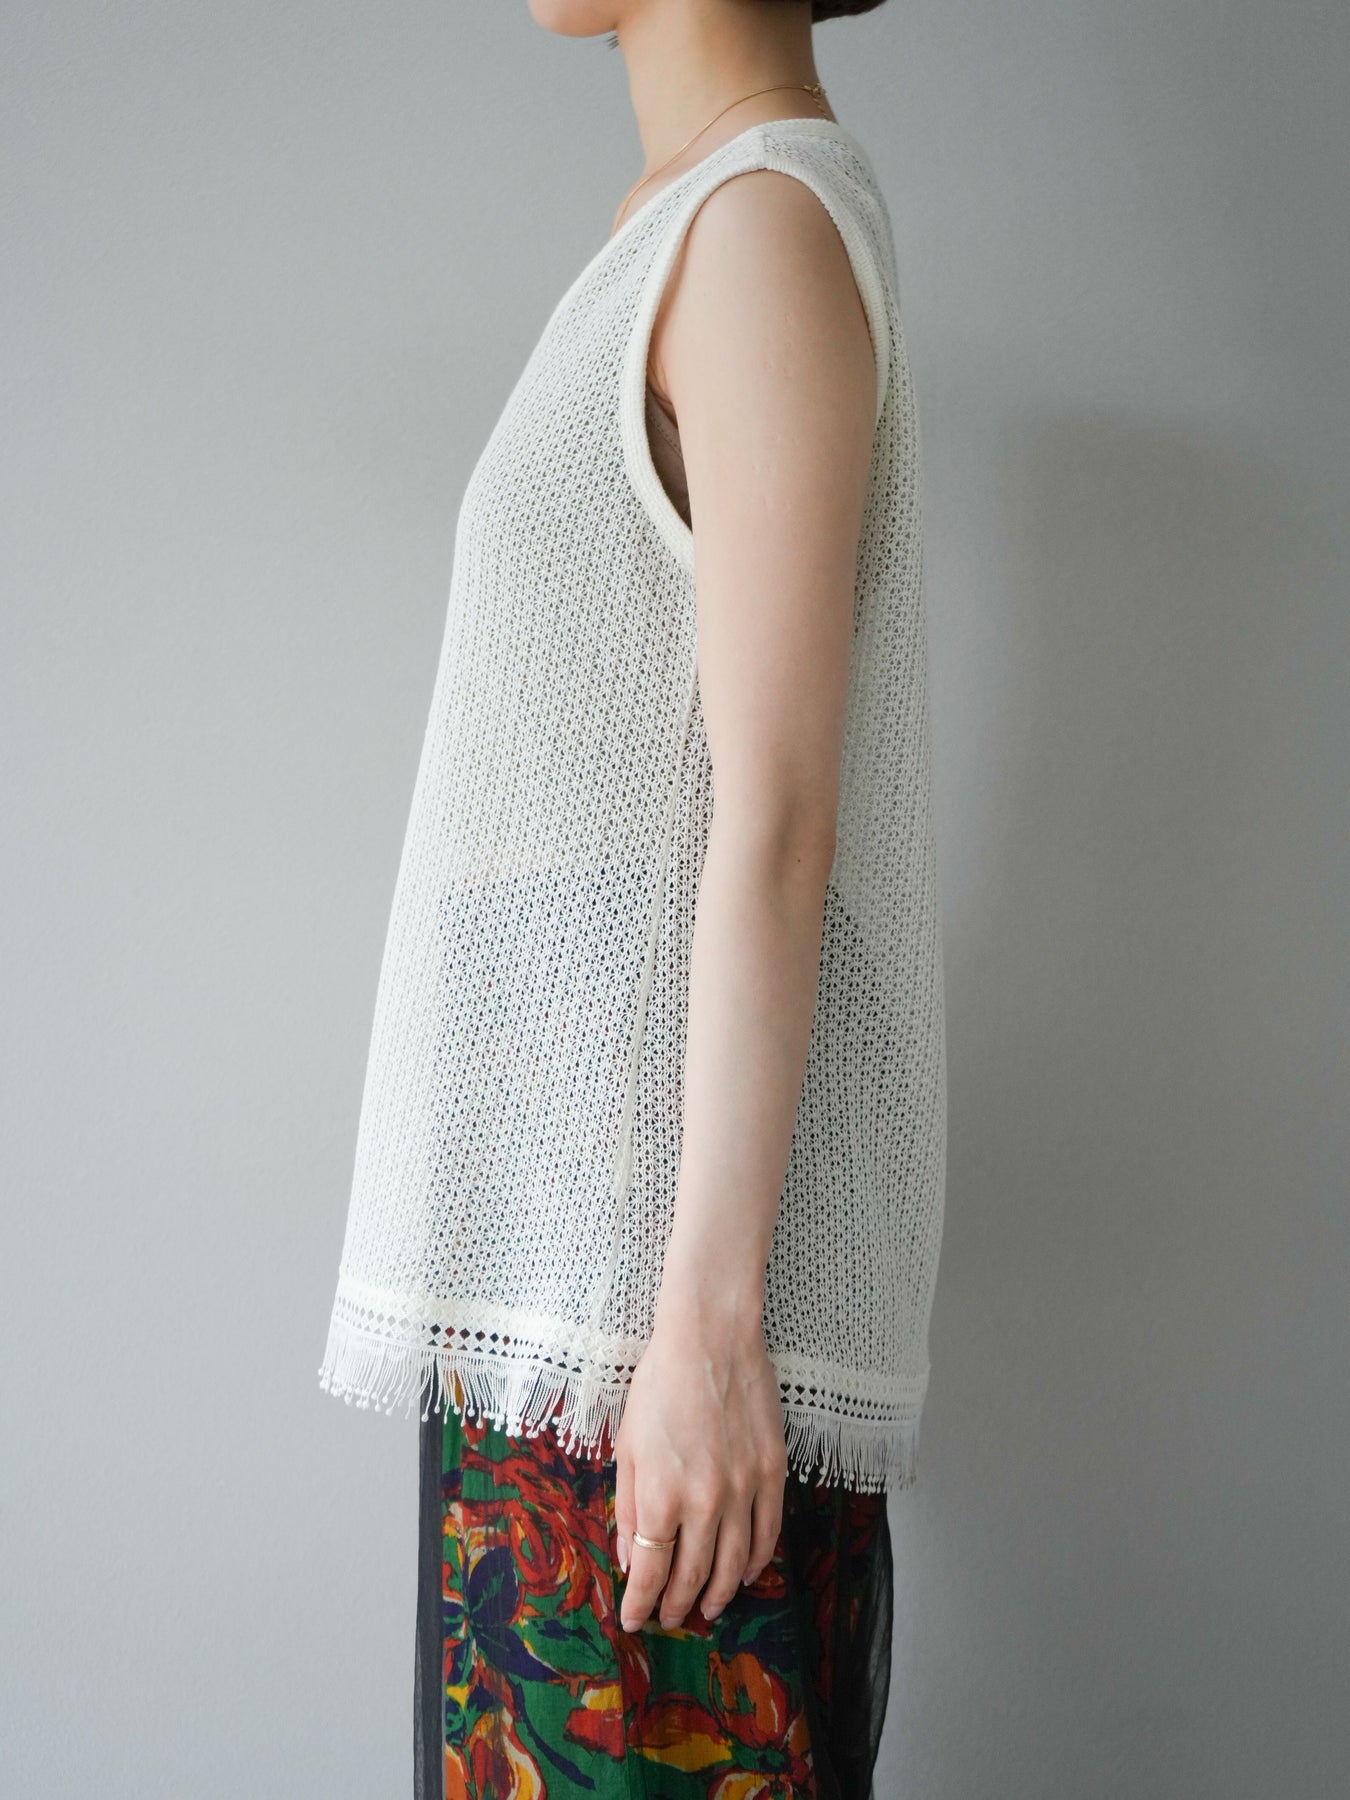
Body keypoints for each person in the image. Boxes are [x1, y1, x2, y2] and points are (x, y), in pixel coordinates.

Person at [319, 1, 947, 1792]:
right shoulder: (685, 224)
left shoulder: (758, 231)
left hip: (642, 1324)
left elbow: (779, 818)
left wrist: (712, 1332)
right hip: (571, 1302)